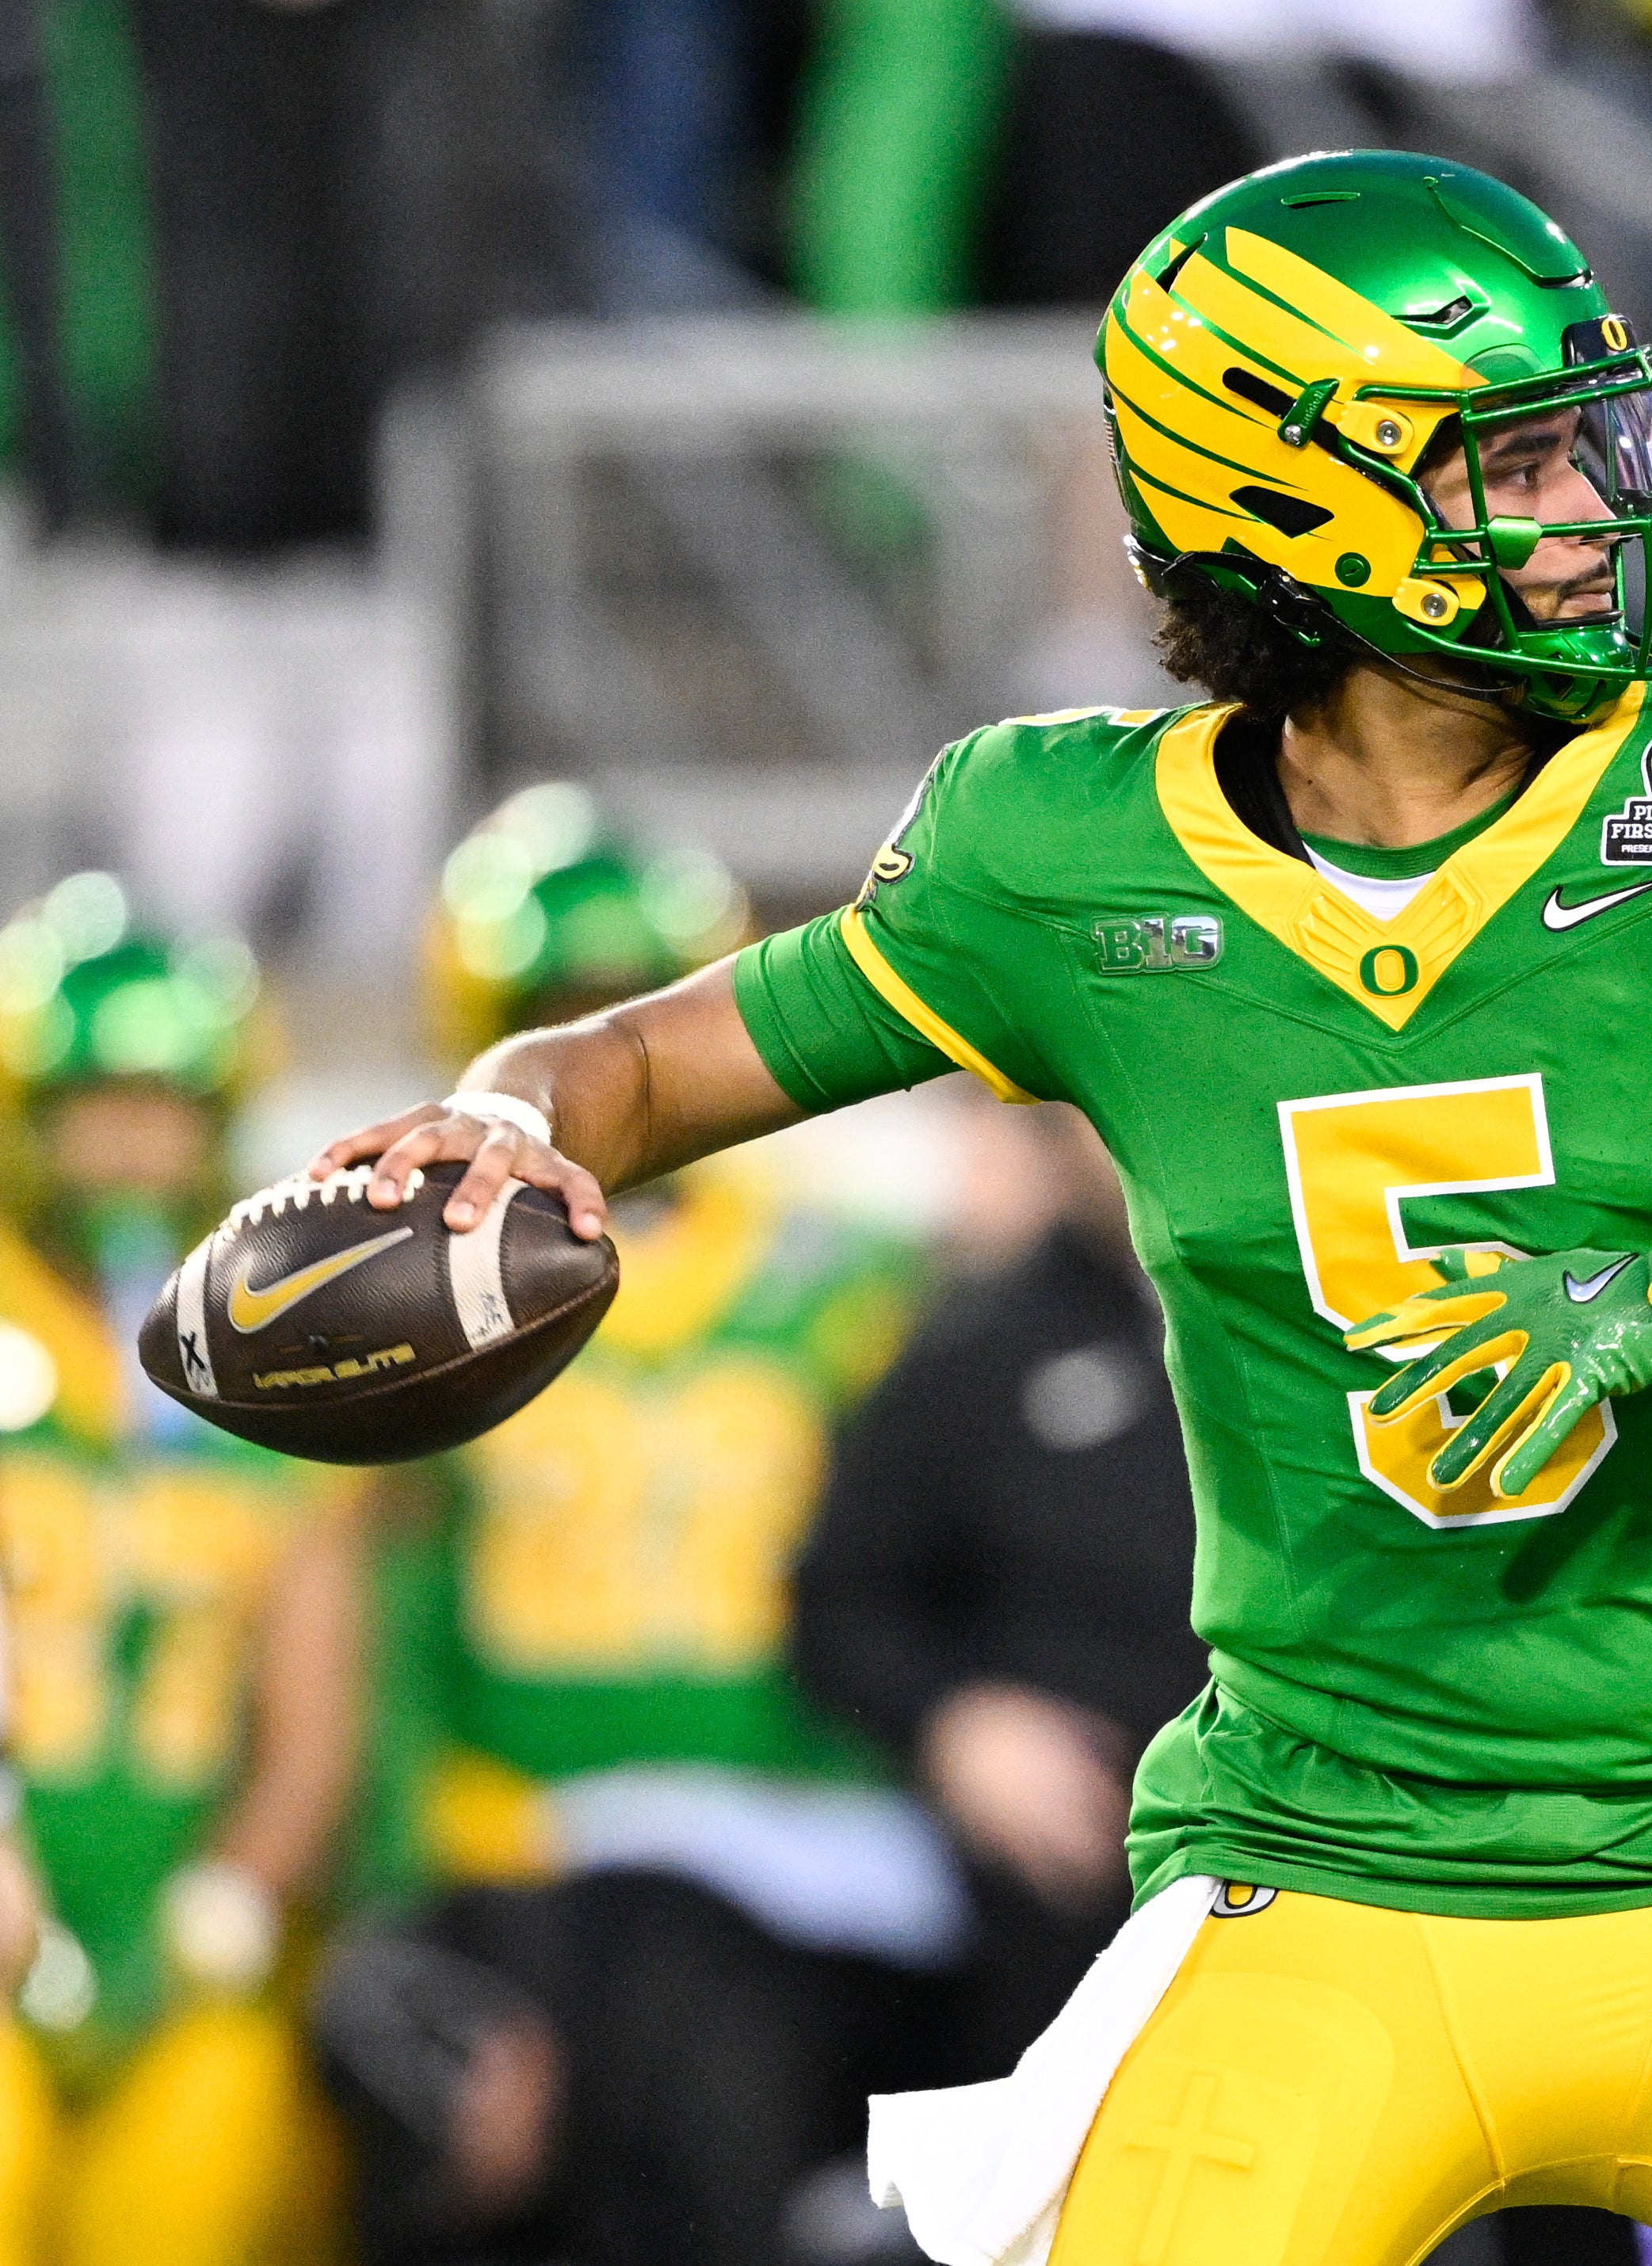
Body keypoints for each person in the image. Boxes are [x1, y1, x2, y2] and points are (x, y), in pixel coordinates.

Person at [301, 150, 1652, 2266]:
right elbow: (647, 1062)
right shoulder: (1060, 854)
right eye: (1519, 462)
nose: (1601, 504)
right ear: (1300, 505)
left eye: (1592, 439)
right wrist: (500, 1118)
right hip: (1326, 1879)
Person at [310, 789, 948, 2266]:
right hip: (520, 1844)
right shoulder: (406, 1297)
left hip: (791, 1845)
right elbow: (383, 1611)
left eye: (623, 1011)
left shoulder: (853, 1277)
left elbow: (930, 1562)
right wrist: (400, 1874)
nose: (597, 1056)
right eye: (559, 1014)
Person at [0, 878, 367, 2266]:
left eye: (163, 1106)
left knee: (203, 2180)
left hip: (184, 1917)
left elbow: (311, 1715)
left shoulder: (270, 1359)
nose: (132, 1148)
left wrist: (225, 1904)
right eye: (99, 1105)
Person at [790, 1101, 1211, 2084]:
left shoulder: (1359, 1324)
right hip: (1085, 1888)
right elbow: (839, 1602)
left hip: (1366, 1846)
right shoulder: (974, 1349)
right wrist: (954, 1721)